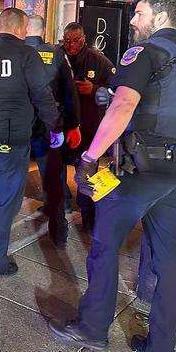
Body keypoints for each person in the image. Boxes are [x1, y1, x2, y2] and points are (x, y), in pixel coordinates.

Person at [47, 0, 176, 352]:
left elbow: (124, 106)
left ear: (160, 14)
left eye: (139, 13)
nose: (134, 21)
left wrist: (88, 157)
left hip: (139, 170)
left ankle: (92, 328)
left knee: (103, 247)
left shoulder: (145, 52)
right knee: (170, 265)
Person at [0, 8, 63, 277]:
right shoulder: (26, 54)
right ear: (21, 28)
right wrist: (55, 126)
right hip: (12, 135)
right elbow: (42, 95)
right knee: (7, 198)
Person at [25, 15, 80, 247]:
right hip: (50, 120)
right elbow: (69, 90)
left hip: (21, 120)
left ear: (25, 28)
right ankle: (59, 214)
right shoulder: (57, 54)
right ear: (44, 29)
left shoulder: (17, 51)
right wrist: (74, 123)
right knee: (51, 168)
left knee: (12, 170)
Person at [61, 21, 116, 231]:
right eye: (67, 41)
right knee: (55, 169)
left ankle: (90, 218)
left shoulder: (99, 60)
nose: (71, 45)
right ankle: (60, 206)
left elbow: (116, 89)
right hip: (62, 125)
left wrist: (94, 89)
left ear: (84, 38)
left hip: (88, 127)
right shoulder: (58, 56)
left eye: (76, 40)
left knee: (86, 174)